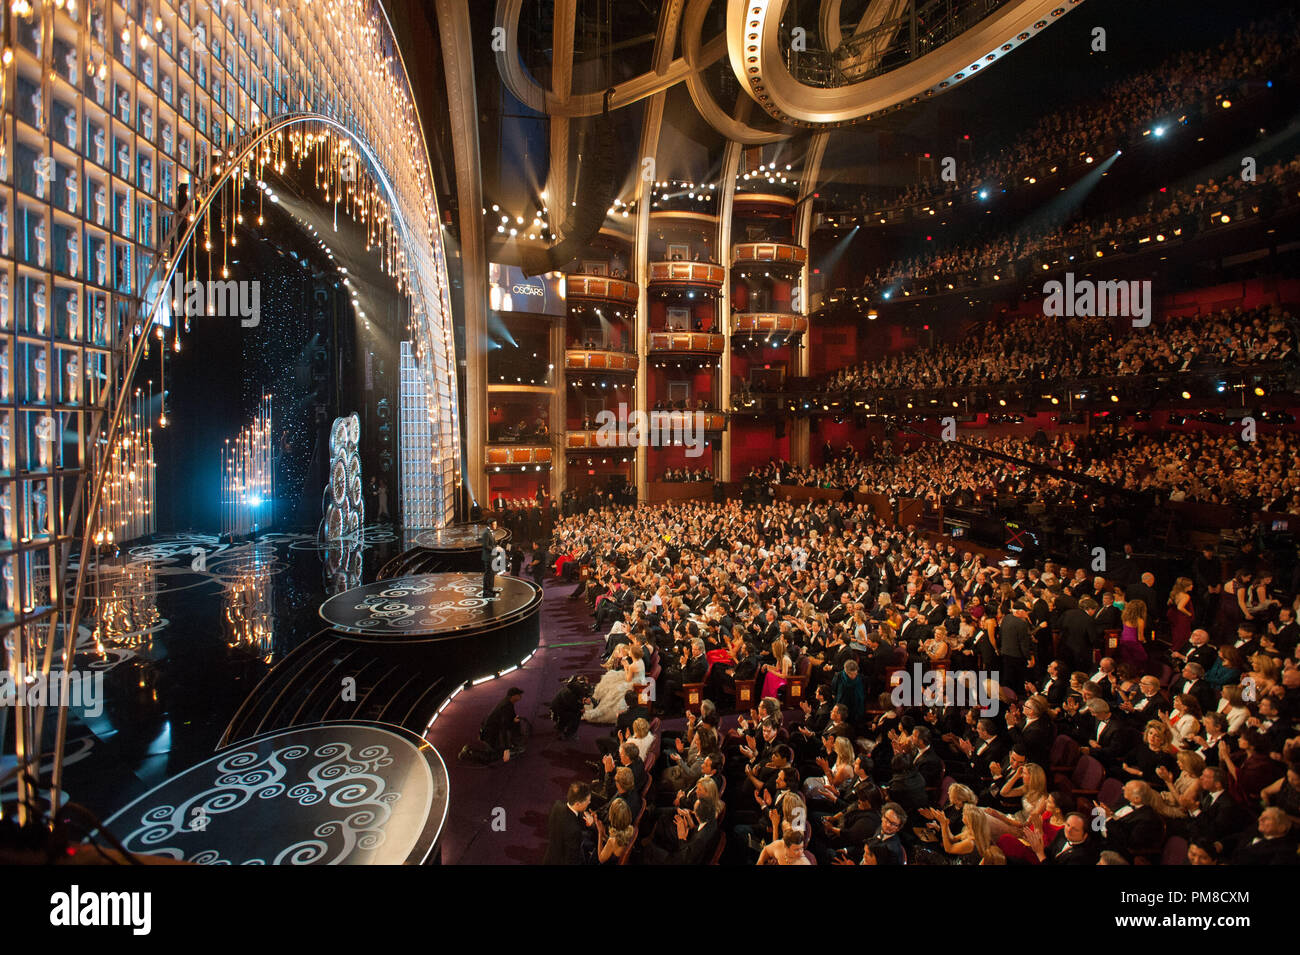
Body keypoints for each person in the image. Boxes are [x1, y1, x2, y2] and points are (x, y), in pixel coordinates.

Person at [459, 687, 525, 764]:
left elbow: (508, 720)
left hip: (491, 731)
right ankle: (468, 751)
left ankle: (512, 744)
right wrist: (506, 748)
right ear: (513, 696)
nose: (520, 696)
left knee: (495, 751)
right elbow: (504, 726)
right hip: (490, 733)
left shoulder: (508, 703)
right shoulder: (506, 706)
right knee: (492, 756)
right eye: (519, 695)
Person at [543, 782, 594, 864]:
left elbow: (570, 818)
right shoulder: (575, 831)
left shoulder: (557, 806)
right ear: (577, 803)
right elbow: (572, 859)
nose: (589, 802)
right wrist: (592, 826)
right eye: (587, 801)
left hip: (550, 857)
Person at [480, 521, 499, 598]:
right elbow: (485, 546)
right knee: (488, 574)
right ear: (490, 525)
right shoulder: (486, 533)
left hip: (492, 557)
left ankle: (491, 589)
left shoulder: (491, 532)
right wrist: (495, 548)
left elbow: (492, 543)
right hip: (488, 557)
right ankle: (486, 591)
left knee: (492, 574)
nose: (496, 526)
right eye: (494, 524)